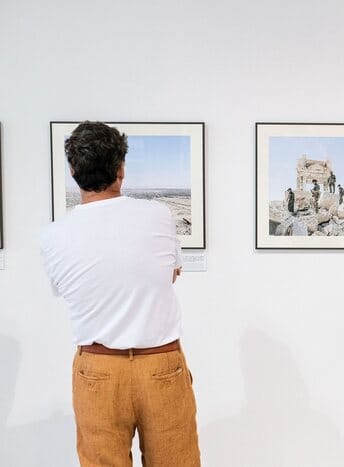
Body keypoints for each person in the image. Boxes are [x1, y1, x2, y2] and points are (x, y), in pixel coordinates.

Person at [40, 122, 201, 466]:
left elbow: (67, 289)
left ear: (72, 170)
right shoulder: (158, 215)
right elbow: (170, 275)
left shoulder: (54, 236)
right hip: (161, 365)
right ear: (121, 169)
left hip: (98, 370)